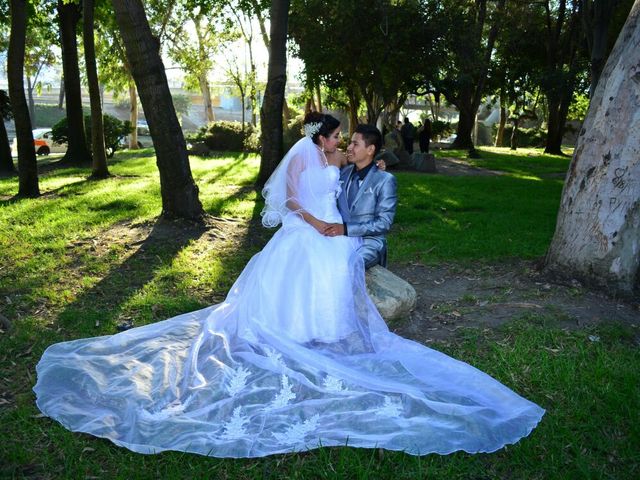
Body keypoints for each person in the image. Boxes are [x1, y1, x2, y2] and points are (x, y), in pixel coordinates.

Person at [33, 113, 544, 458]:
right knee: (304, 270)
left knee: (333, 267)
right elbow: (289, 198)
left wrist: (375, 169)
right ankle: (292, 329)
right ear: (321, 137)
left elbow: (360, 177)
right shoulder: (304, 156)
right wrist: (313, 221)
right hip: (308, 231)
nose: (342, 142)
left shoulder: (341, 160)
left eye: (348, 139)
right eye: (337, 136)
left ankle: (328, 325)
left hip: (335, 233)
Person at [324, 124, 396, 269]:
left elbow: (384, 222)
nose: (349, 147)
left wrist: (346, 229)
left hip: (368, 241)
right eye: (350, 142)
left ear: (370, 149)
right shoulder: (343, 172)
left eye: (355, 144)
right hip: (339, 237)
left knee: (350, 265)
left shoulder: (385, 180)